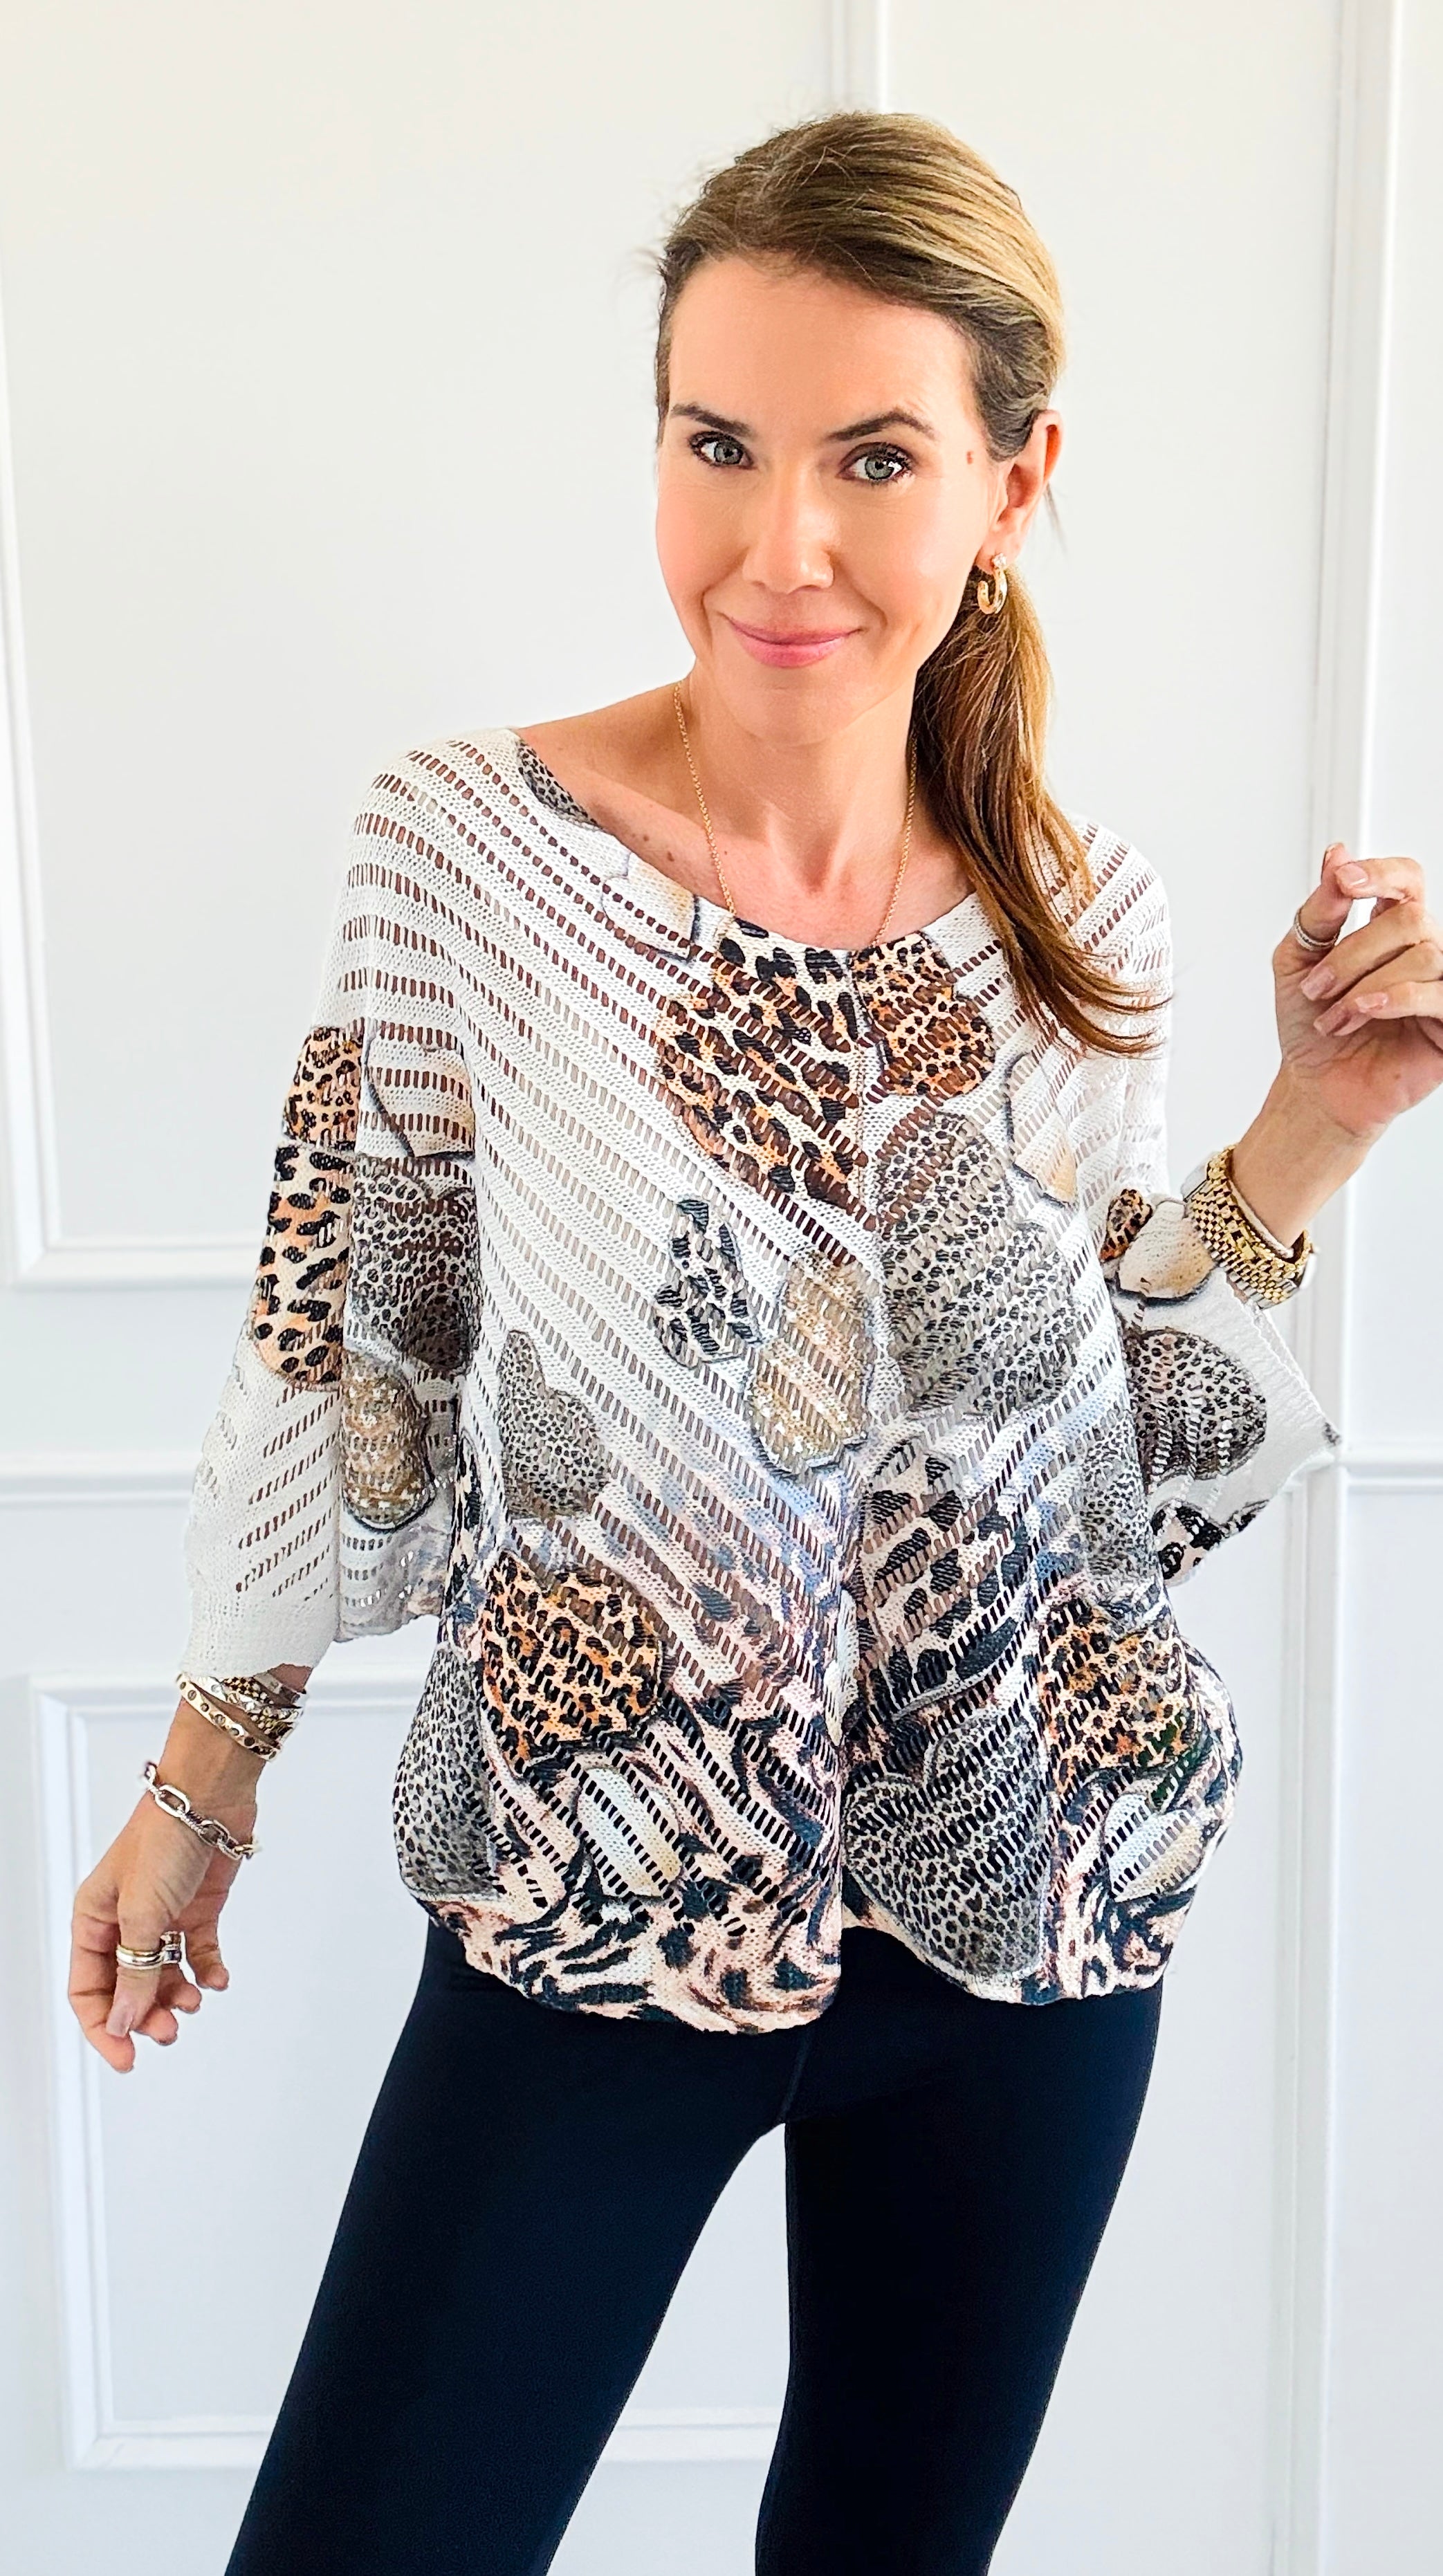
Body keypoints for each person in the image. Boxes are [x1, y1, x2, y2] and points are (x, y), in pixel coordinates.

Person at [67, 110, 1441, 2576]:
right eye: (716, 444)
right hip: (598, 1903)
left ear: (1015, 484)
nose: (775, 540)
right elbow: (346, 1345)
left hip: (1028, 1913)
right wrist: (203, 1778)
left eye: (872, 458)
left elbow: (1115, 1509)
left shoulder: (1079, 916)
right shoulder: (469, 855)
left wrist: (1315, 1133)